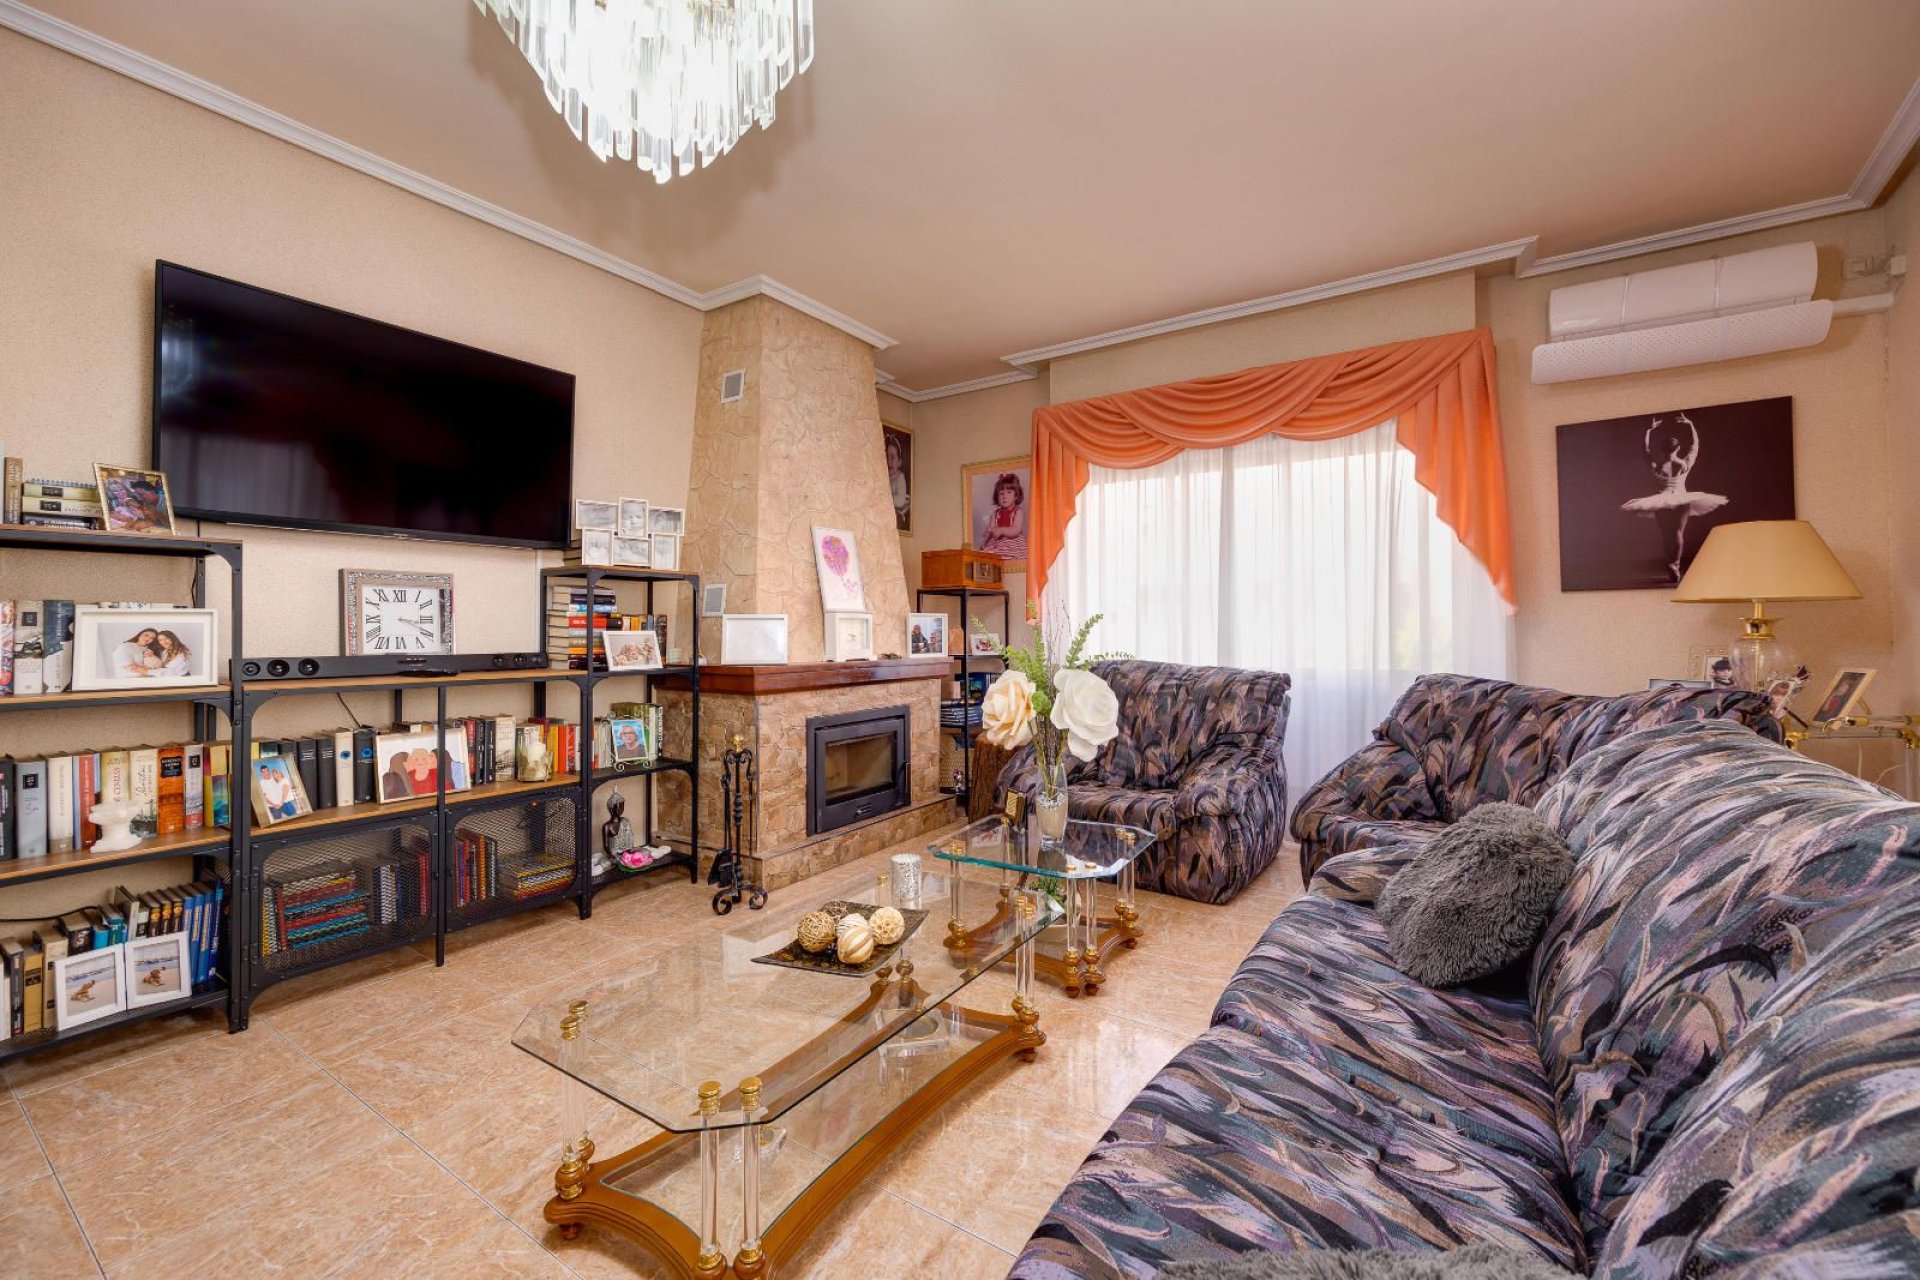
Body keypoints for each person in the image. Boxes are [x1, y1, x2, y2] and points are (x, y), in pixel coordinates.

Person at [1620, 413, 1727, 583]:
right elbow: (1695, 446)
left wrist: (1648, 431)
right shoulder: (1684, 464)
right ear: (1678, 449)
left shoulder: (1657, 466)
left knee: (1666, 535)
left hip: (1662, 501)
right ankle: (1675, 565)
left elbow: (1645, 451)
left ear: (1662, 450)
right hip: (1680, 500)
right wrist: (1690, 424)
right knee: (1677, 533)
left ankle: (1670, 564)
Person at [980, 472, 1027, 561]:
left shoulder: (1017, 512)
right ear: (997, 496)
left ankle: (1010, 564)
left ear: (1016, 495)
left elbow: (1016, 529)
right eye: (1001, 493)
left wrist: (1001, 530)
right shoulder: (995, 513)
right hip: (997, 544)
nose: (1005, 496)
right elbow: (992, 527)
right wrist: (989, 531)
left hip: (1012, 544)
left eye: (1009, 492)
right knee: (987, 555)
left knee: (1011, 557)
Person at [886, 433, 910, 529]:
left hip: (899, 509)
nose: (889, 462)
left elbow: (900, 501)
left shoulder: (900, 477)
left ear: (899, 462)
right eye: (887, 457)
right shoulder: (885, 478)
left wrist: (887, 497)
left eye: (892, 457)